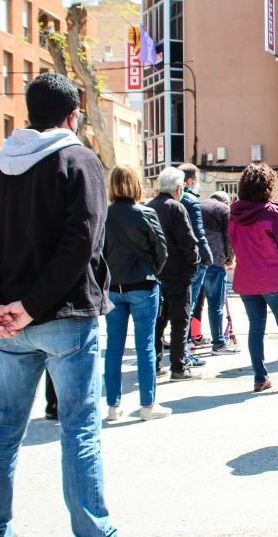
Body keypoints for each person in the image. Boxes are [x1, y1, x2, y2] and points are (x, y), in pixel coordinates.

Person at [0, 72, 117, 536]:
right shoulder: (79, 160)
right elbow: (81, 243)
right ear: (73, 116)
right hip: (64, 317)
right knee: (79, 427)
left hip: (10, 323)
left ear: (29, 115)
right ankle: (93, 530)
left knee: (4, 428)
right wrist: (29, 306)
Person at [229, 164, 278, 392]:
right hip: (273, 277)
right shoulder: (271, 213)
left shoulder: (234, 214)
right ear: (268, 186)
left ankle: (260, 378)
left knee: (256, 327)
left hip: (246, 278)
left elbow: (233, 243)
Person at [104, 165, 171, 421]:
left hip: (113, 287)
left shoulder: (103, 214)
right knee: (145, 346)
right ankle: (147, 405)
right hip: (142, 284)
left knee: (114, 347)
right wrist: (151, 270)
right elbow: (162, 250)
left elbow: (97, 253)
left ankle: (113, 406)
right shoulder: (146, 213)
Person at [147, 167, 201, 382]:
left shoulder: (149, 207)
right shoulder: (176, 208)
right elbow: (187, 240)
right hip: (178, 273)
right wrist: (194, 264)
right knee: (180, 321)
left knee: (158, 321)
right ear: (179, 188)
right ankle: (178, 367)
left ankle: (155, 363)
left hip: (156, 274)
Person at [177, 163, 213, 366]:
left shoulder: (165, 201)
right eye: (197, 180)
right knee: (188, 307)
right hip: (193, 261)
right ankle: (184, 354)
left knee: (176, 309)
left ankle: (179, 353)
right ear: (189, 181)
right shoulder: (191, 202)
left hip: (172, 262)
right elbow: (199, 234)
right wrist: (208, 258)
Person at [201, 191, 239, 354]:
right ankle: (218, 343)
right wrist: (229, 259)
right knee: (215, 305)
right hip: (215, 262)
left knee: (192, 305)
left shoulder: (197, 206)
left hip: (195, 263)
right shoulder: (224, 209)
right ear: (226, 201)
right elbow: (229, 237)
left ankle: (187, 342)